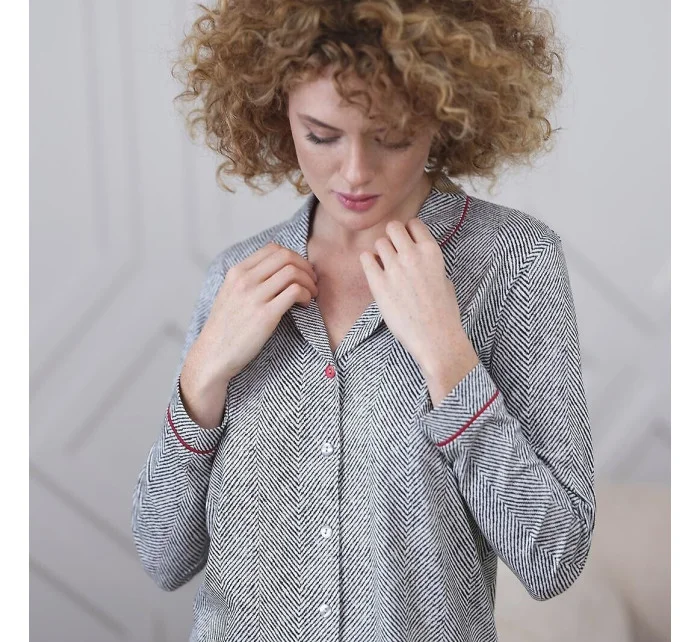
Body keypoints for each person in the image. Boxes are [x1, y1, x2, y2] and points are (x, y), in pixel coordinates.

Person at [131, 1, 596, 641]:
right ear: (276, 111)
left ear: (445, 113)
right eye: (321, 136)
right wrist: (201, 377)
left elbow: (554, 557)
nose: (354, 173)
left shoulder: (512, 261)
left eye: (392, 137)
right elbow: (162, 557)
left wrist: (446, 355)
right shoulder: (236, 279)